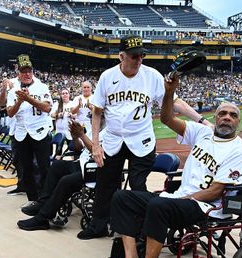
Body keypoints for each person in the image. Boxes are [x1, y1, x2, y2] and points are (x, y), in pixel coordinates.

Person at [104, 75, 242, 258]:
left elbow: (215, 191)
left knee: (159, 206)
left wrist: (179, 200)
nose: (227, 118)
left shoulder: (239, 150)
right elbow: (166, 118)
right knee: (122, 197)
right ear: (215, 117)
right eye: (222, 113)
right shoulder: (202, 132)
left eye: (233, 115)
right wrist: (169, 92)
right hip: (180, 198)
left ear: (238, 122)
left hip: (205, 206)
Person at [80, 35, 208, 240]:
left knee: (138, 185)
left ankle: (141, 229)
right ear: (121, 56)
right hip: (113, 139)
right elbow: (97, 112)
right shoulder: (107, 76)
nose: (139, 60)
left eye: (142, 55)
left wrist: (201, 120)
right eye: (134, 56)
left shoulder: (152, 75)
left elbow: (176, 102)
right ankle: (98, 226)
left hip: (142, 139)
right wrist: (95, 144)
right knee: (105, 183)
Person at [17, 120, 94, 230]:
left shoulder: (110, 132)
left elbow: (98, 152)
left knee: (65, 181)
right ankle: (42, 203)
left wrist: (82, 135)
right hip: (82, 164)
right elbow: (79, 149)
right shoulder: (93, 129)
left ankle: (43, 218)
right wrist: (75, 137)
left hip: (94, 171)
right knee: (57, 165)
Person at [4, 54, 53, 203]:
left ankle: (46, 199)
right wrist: (20, 101)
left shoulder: (41, 86)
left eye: (29, 71)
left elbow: (47, 108)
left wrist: (29, 99)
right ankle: (32, 199)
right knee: (26, 169)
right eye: (24, 71)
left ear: (33, 72)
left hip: (40, 132)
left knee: (44, 167)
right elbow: (10, 113)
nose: (27, 74)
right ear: (18, 73)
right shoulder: (13, 91)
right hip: (22, 133)